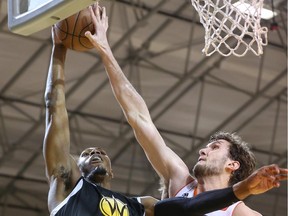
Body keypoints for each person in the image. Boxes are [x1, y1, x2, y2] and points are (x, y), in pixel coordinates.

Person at [84, 3, 288, 216]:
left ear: (233, 164)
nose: (203, 150)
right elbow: (138, 116)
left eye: (215, 147)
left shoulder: (241, 213)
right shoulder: (180, 180)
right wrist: (104, 48)